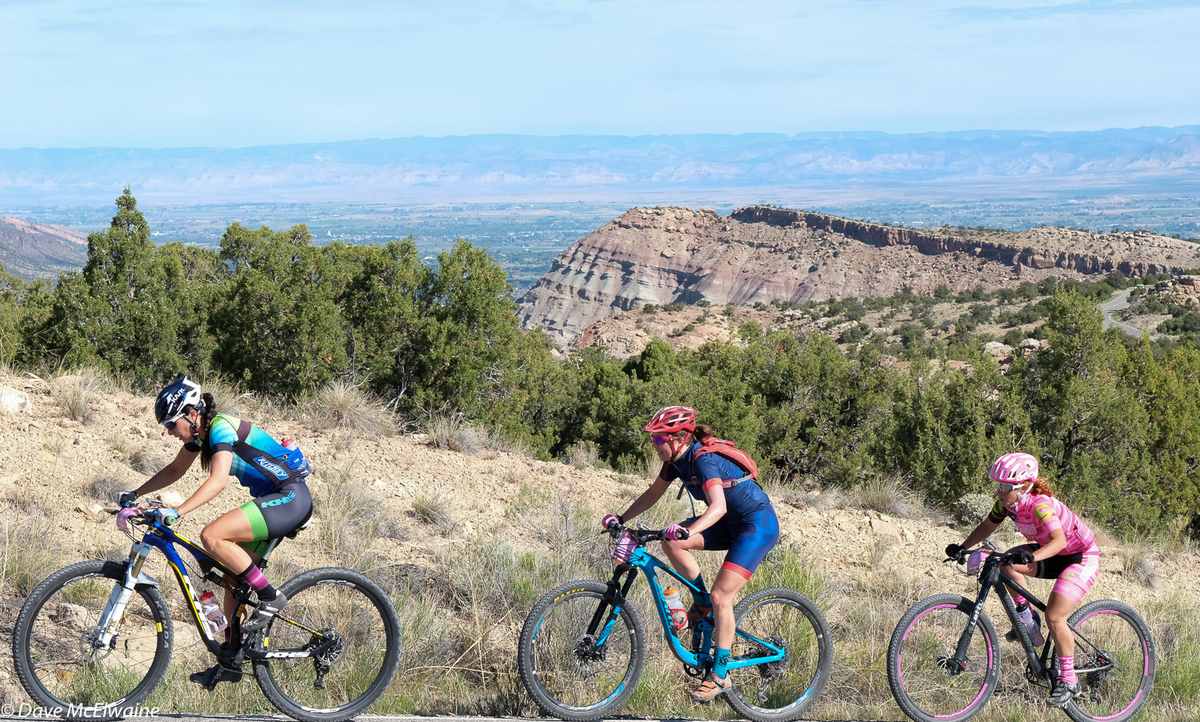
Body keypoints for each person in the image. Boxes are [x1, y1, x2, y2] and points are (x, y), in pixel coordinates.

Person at [117, 375, 313, 689]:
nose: (169, 432)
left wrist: (177, 511)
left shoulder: (221, 427)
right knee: (232, 577)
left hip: (289, 497)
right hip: (275, 500)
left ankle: (270, 597)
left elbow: (218, 481)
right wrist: (135, 494)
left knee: (212, 535)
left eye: (171, 424)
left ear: (192, 414)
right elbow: (174, 470)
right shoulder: (200, 437)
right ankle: (231, 659)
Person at [601, 406, 779, 702]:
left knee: (723, 596)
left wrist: (689, 529)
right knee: (670, 543)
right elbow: (652, 494)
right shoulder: (675, 461)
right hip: (726, 524)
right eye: (654, 440)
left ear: (679, 437)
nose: (655, 445)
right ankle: (702, 601)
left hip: (756, 525)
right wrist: (622, 518)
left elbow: (718, 507)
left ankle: (721, 674)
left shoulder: (703, 460)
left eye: (659, 440)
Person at [945, 452, 1100, 708]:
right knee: (1002, 563)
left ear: (1025, 486)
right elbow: (987, 526)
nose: (1000, 491)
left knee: (1056, 617)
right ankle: (1028, 620)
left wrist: (1031, 556)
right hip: (1050, 552)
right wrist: (963, 547)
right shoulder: (1007, 504)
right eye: (997, 485)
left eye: (1006, 486)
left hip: (1079, 556)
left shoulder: (1040, 504)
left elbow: (1060, 541)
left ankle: (1070, 682)